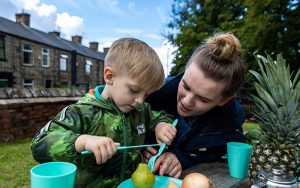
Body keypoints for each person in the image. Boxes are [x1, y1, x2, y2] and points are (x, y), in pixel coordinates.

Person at [31, 38, 177, 188]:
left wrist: (161, 125)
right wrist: (82, 141)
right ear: (109, 76)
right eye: (134, 90)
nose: (140, 100)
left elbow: (159, 116)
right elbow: (39, 144)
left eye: (146, 94)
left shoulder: (140, 110)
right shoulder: (81, 112)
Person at [143, 32, 246, 178]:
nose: (186, 102)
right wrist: (141, 144)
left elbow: (218, 152)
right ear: (185, 70)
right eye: (185, 86)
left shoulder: (232, 120)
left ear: (223, 100)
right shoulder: (154, 91)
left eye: (203, 99)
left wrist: (180, 157)